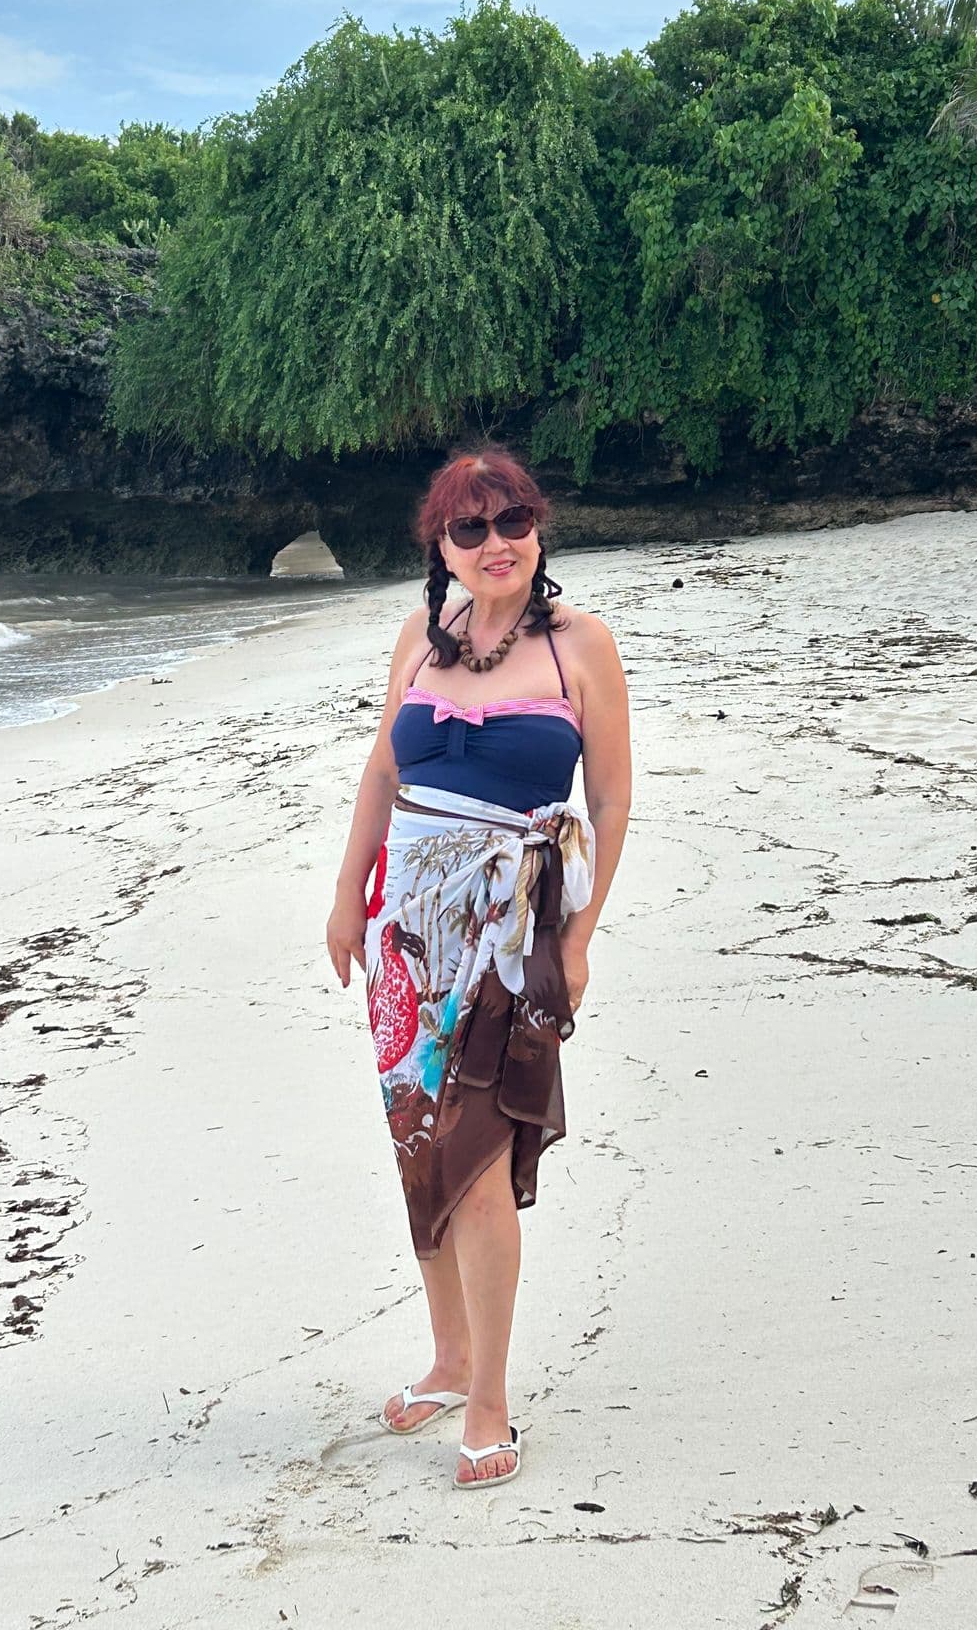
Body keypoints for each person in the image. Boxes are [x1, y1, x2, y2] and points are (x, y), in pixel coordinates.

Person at [325, 447, 632, 1489]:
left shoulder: (583, 645)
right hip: (404, 932)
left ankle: (491, 1394)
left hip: (513, 930)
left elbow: (613, 800)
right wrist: (344, 896)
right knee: (421, 1141)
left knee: (483, 1151)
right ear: (440, 543)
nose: (496, 543)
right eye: (471, 528)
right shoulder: (421, 635)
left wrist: (580, 940)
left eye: (514, 520)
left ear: (538, 526)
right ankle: (449, 1354)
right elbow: (382, 767)